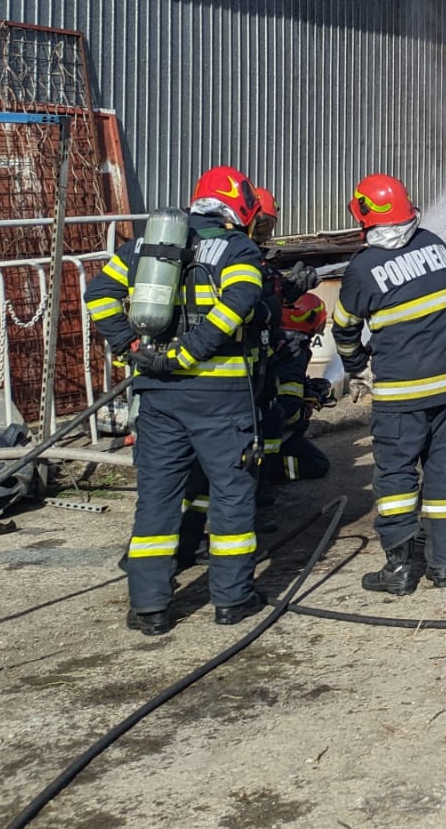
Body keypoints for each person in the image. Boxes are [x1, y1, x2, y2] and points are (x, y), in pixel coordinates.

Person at [85, 166, 269, 635]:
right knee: (230, 493)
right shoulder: (237, 247)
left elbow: (99, 293)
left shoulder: (150, 244)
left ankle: (149, 607)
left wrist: (130, 345)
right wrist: (191, 350)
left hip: (158, 394)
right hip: (220, 394)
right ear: (240, 205)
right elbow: (243, 299)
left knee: (158, 496)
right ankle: (232, 599)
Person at [333, 174, 446, 595]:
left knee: (395, 476)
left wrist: (355, 360)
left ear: (365, 217)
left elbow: (344, 326)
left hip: (402, 396)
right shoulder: (434, 244)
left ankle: (398, 569)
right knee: (444, 474)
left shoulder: (361, 268)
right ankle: (445, 567)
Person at [261, 292, 334, 488]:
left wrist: (306, 390)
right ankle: (266, 470)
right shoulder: (295, 354)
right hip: (272, 432)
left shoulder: (277, 342)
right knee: (317, 464)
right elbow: (289, 413)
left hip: (257, 425)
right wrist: (306, 406)